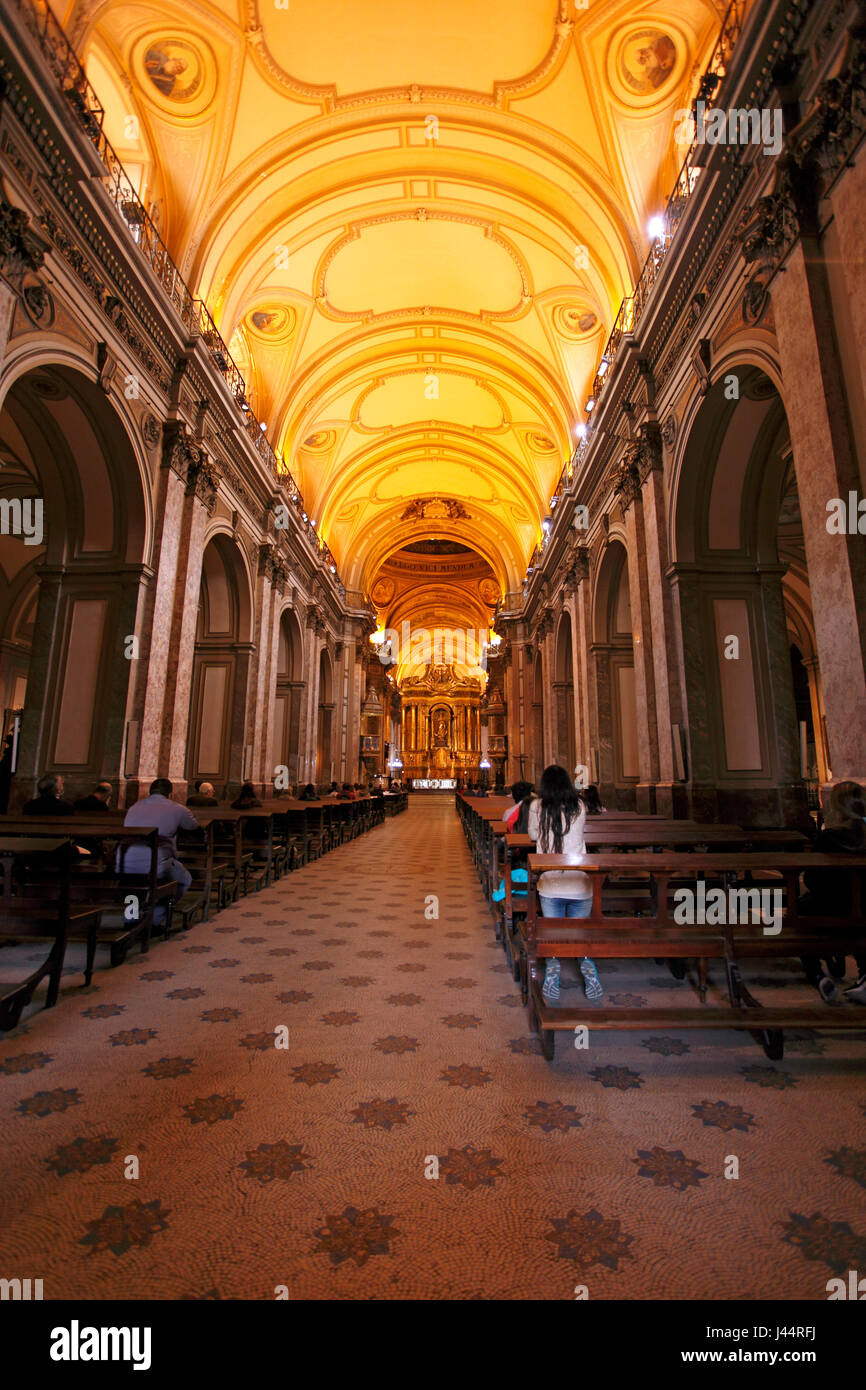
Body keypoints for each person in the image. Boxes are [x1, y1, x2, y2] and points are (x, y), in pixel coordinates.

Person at [527, 764, 601, 1003]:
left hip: (550, 883)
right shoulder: (579, 805)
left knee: (553, 933)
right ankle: (588, 968)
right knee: (580, 933)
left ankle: (552, 970)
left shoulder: (537, 806)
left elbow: (532, 836)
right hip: (580, 882)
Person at [799, 781, 866, 1004]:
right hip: (863, 907)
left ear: (837, 809)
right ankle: (865, 973)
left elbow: (813, 878)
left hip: (831, 907)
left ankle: (817, 974)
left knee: (800, 912)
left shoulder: (829, 838)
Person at [121, 778, 198, 905]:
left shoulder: (134, 807)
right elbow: (193, 825)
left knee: (134, 890)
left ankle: (131, 917)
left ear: (149, 792)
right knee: (184, 879)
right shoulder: (178, 809)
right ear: (170, 794)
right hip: (158, 860)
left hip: (125, 859)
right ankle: (159, 914)